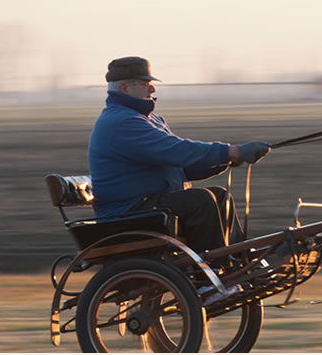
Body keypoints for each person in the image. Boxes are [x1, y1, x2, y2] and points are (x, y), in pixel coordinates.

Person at [88, 56, 270, 263]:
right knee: (200, 201)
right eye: (146, 84)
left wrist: (226, 160)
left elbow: (180, 166)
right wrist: (232, 152)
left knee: (220, 196)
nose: (152, 89)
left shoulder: (149, 120)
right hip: (127, 212)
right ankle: (212, 276)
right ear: (123, 88)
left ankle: (239, 262)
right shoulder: (120, 122)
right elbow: (177, 151)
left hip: (148, 203)